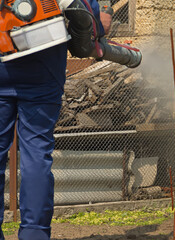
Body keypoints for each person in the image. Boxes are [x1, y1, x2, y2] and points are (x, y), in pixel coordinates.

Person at [0, 1, 111, 239]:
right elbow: (81, 11)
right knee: (36, 152)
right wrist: (97, 26)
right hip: (41, 56)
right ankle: (34, 234)